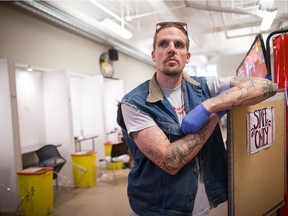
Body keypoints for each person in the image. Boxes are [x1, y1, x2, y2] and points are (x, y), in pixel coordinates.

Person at [116, 22, 277, 216]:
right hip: (156, 208)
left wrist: (211, 105)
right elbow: (170, 161)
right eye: (163, 44)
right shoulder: (134, 102)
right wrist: (214, 117)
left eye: (179, 45)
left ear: (187, 56)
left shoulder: (205, 86)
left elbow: (267, 86)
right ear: (153, 55)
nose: (171, 49)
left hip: (201, 205)